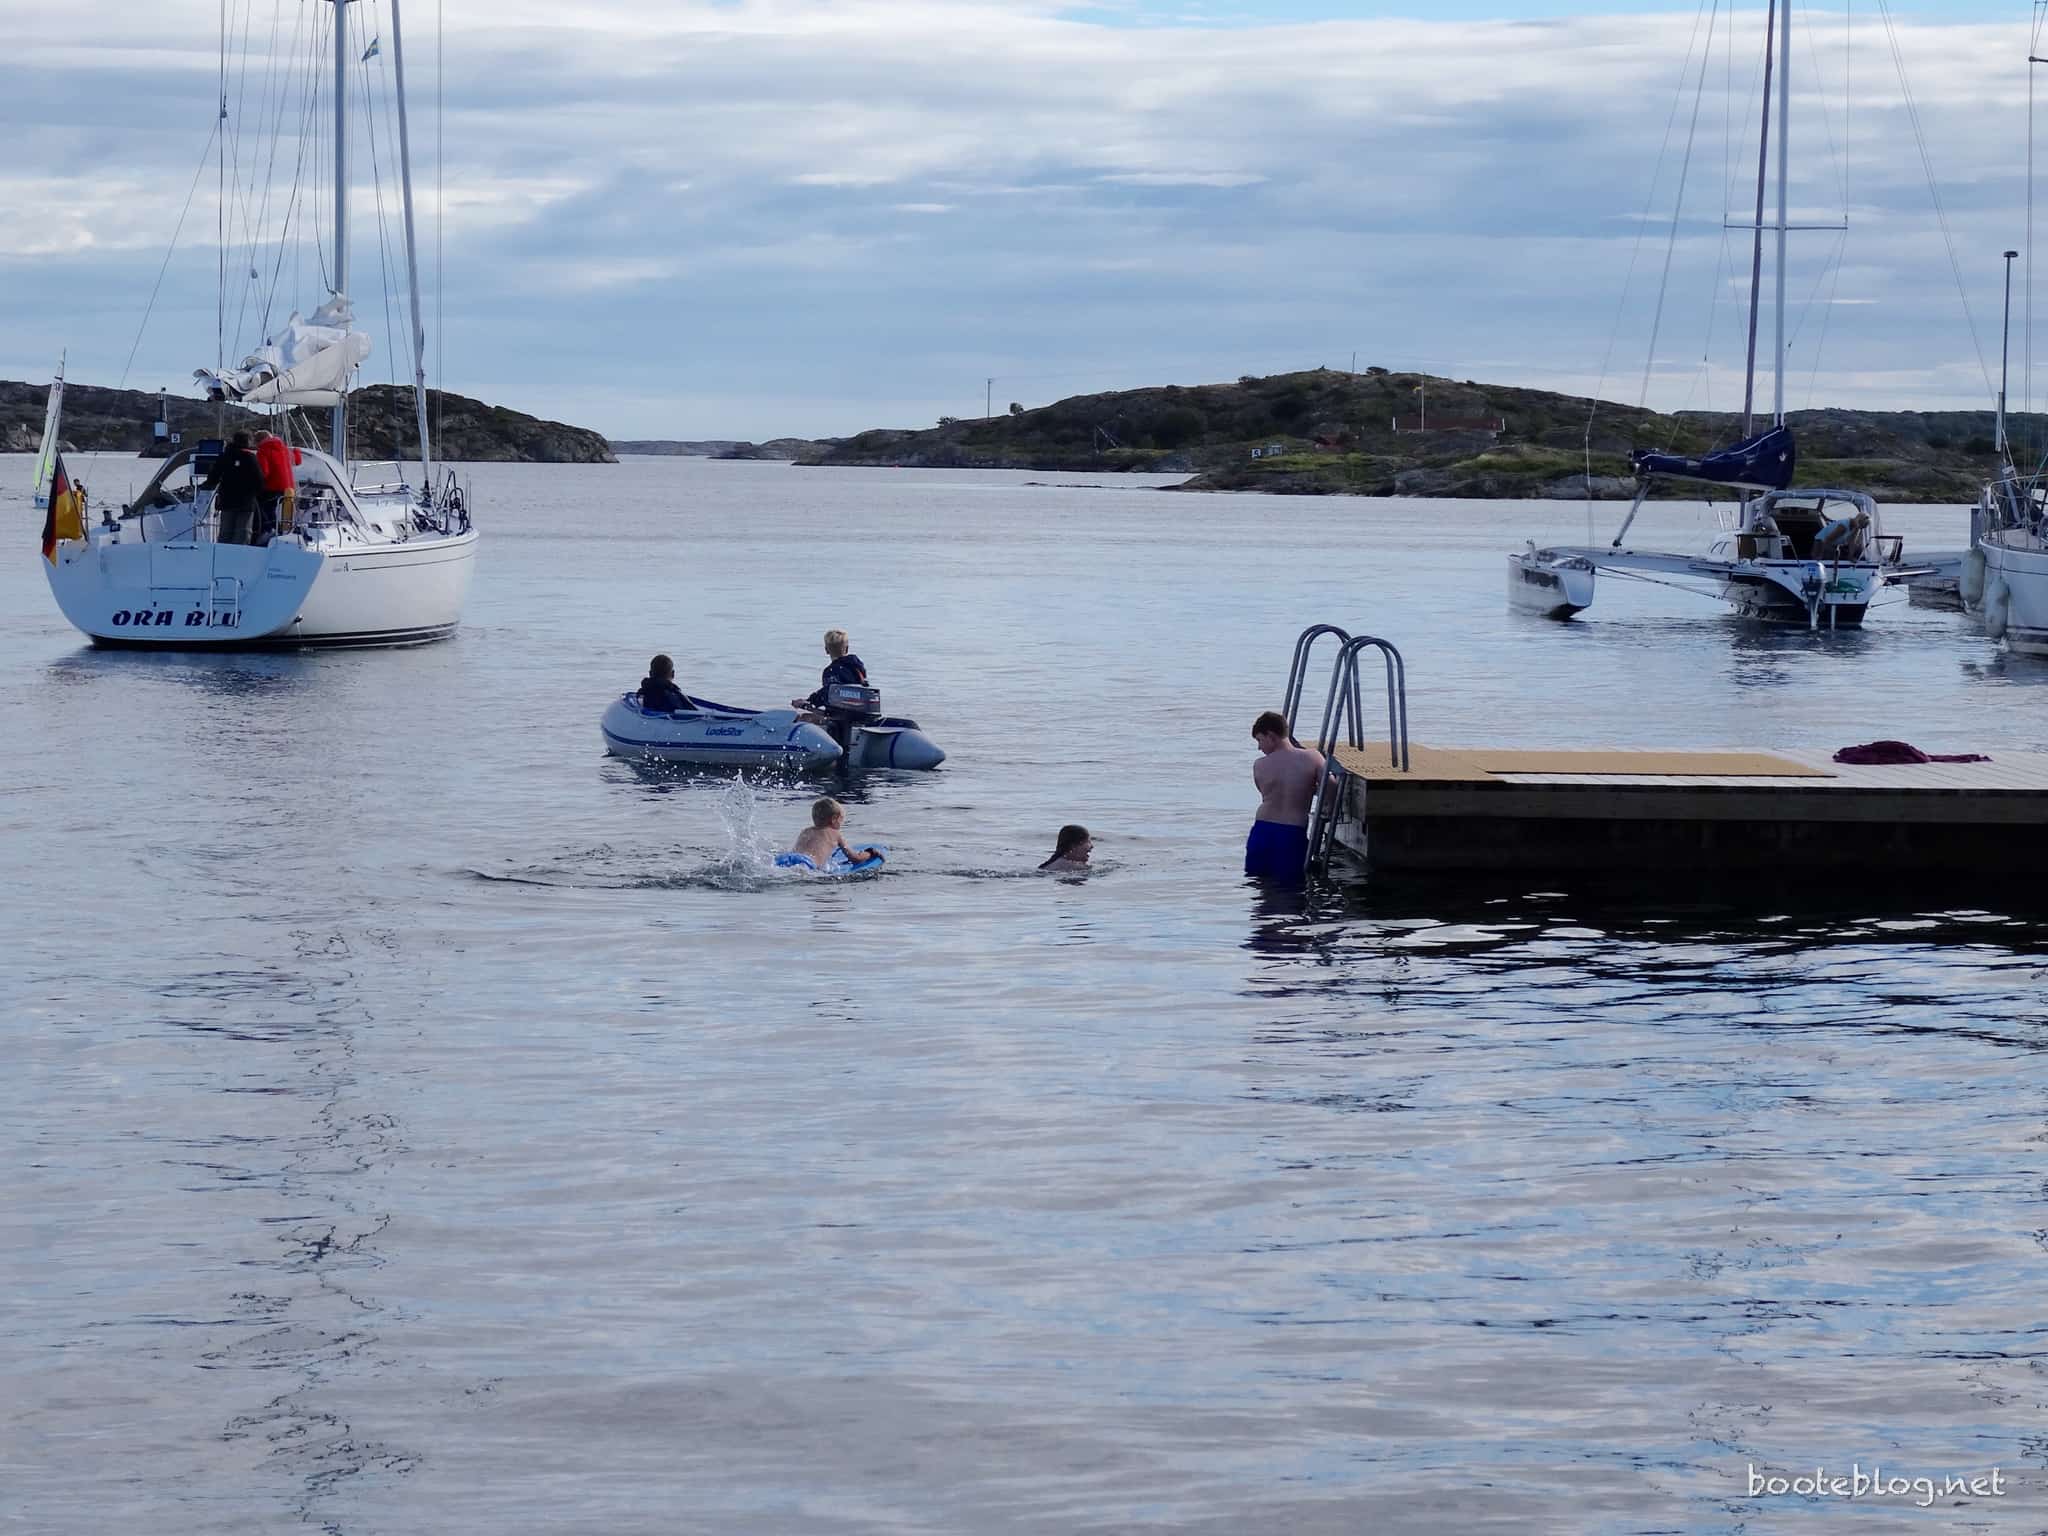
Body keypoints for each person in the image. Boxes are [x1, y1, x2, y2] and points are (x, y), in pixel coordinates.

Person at [1246, 710, 1324, 882]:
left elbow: (1264, 792)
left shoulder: (1259, 765)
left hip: (1261, 831)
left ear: (1271, 736)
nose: (1259, 747)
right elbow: (1331, 790)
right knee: (1290, 892)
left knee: (1260, 890)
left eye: (1260, 740)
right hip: (1291, 832)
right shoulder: (1312, 758)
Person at [202, 431, 263, 546]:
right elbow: (259, 481)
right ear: (247, 442)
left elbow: (213, 478)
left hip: (227, 500)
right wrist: (257, 494)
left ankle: (223, 556)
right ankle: (239, 559)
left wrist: (207, 485)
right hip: (246, 501)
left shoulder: (224, 457)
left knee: (225, 533)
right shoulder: (250, 458)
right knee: (243, 533)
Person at [792, 629, 869, 710]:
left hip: (842, 715)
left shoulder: (831, 671)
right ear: (847, 649)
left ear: (826, 650)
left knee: (804, 717)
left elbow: (828, 692)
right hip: (860, 710)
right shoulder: (857, 667)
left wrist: (809, 701)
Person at [789, 797, 871, 868]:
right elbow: (855, 859)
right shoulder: (835, 833)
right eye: (841, 819)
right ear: (834, 819)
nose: (842, 822)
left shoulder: (805, 831)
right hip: (808, 864)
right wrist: (869, 853)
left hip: (788, 858)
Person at [254, 431, 300, 540]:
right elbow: (297, 461)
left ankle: (268, 530)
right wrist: (297, 451)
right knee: (273, 508)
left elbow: (264, 472)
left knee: (262, 507)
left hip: (272, 486)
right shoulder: (284, 449)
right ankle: (278, 530)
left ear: (259, 441)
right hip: (288, 486)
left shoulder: (263, 450)